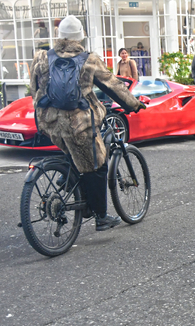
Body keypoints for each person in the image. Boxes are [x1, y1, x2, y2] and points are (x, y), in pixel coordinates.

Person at [30, 15, 146, 231]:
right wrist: (134, 104)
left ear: (59, 36)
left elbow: (34, 89)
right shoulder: (89, 59)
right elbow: (112, 85)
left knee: (72, 151)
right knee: (99, 164)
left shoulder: (42, 57)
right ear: (80, 37)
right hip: (79, 123)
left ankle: (71, 182)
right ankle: (101, 217)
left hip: (50, 121)